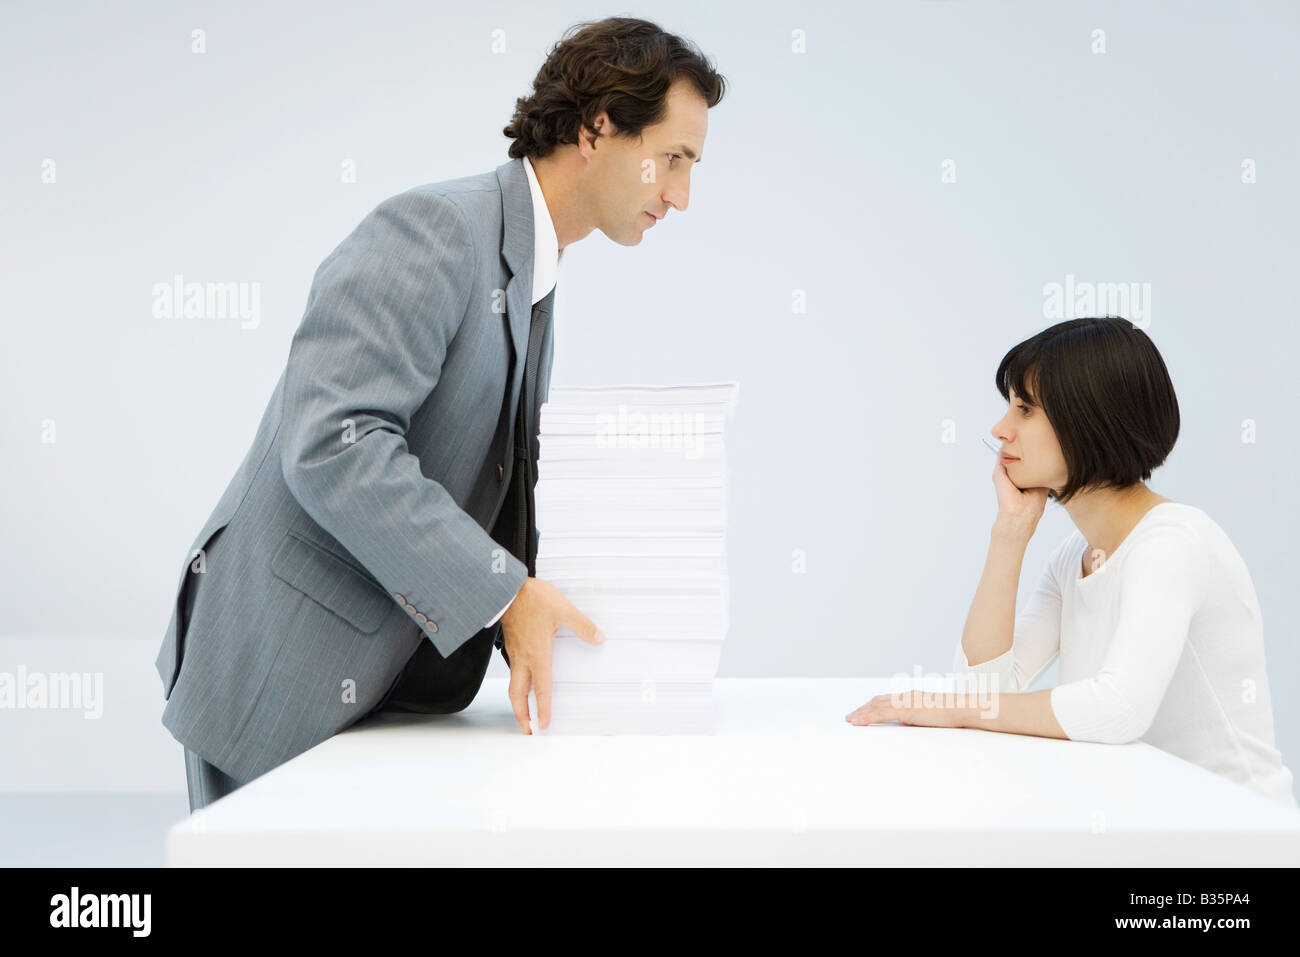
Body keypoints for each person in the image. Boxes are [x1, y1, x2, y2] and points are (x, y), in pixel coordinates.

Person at [156, 16, 725, 811]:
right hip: (280, 665)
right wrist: (504, 593)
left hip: (386, 684)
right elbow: (334, 444)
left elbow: (480, 480)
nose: (681, 195)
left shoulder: (535, 267)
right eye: (673, 159)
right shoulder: (435, 232)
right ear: (598, 128)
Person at [847, 317, 1297, 809]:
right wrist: (1010, 534)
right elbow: (984, 690)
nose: (1001, 430)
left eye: (1024, 409)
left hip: (1240, 839)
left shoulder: (1174, 542)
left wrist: (953, 709)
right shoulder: (1074, 557)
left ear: (1089, 419)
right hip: (1156, 827)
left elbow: (1117, 710)